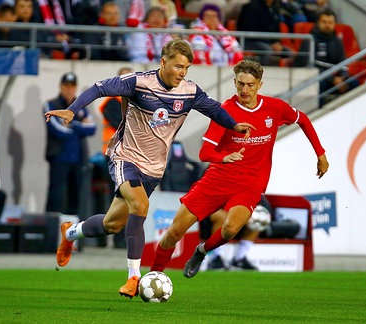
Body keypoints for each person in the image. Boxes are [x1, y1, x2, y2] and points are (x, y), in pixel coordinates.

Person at [44, 39, 255, 298]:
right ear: (163, 62)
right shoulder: (138, 82)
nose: (182, 72)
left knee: (112, 224)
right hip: (125, 158)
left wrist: (234, 125)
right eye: (178, 66)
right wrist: (72, 110)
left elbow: (214, 110)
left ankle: (71, 233)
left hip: (154, 169)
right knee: (141, 206)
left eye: (186, 68)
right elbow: (99, 88)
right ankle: (134, 277)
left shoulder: (189, 91)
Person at [149, 59, 329, 278]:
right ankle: (154, 275)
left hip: (250, 183)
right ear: (234, 82)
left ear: (259, 85)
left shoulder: (275, 108)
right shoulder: (225, 111)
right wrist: (224, 157)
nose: (244, 89)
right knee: (174, 232)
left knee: (230, 229)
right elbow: (205, 153)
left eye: (250, 85)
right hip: (217, 179)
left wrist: (320, 154)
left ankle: (202, 251)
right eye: (240, 84)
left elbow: (303, 120)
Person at [43, 72, 97, 215]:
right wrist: (80, 126)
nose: (69, 89)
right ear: (61, 86)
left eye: (72, 86)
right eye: (66, 86)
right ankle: (52, 232)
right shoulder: (51, 105)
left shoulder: (81, 107)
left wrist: (71, 123)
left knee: (75, 198)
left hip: (78, 160)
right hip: (59, 158)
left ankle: (71, 234)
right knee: (56, 196)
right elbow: (57, 130)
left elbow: (92, 129)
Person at [96, 66, 133, 249]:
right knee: (116, 197)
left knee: (125, 197)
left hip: (130, 157)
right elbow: (123, 125)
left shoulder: (134, 102)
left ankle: (119, 237)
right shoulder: (111, 102)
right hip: (114, 156)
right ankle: (110, 237)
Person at [293, 9, 359, 106]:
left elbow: (342, 62)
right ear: (318, 23)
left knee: (353, 82)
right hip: (314, 77)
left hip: (332, 78)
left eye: (330, 22)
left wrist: (343, 77)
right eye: (324, 22)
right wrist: (332, 79)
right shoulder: (310, 40)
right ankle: (319, 113)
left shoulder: (337, 40)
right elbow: (309, 65)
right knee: (320, 84)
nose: (327, 25)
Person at [206, 194, 272, 270]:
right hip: (213, 211)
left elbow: (263, 206)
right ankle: (215, 257)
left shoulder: (249, 187)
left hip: (236, 214)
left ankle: (240, 258)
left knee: (257, 218)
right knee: (222, 216)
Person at [236, 0, 293, 66]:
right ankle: (261, 74)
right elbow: (250, 30)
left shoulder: (275, 7)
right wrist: (270, 44)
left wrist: (277, 42)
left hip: (268, 42)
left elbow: (276, 29)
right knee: (266, 50)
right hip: (249, 41)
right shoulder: (251, 7)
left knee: (288, 52)